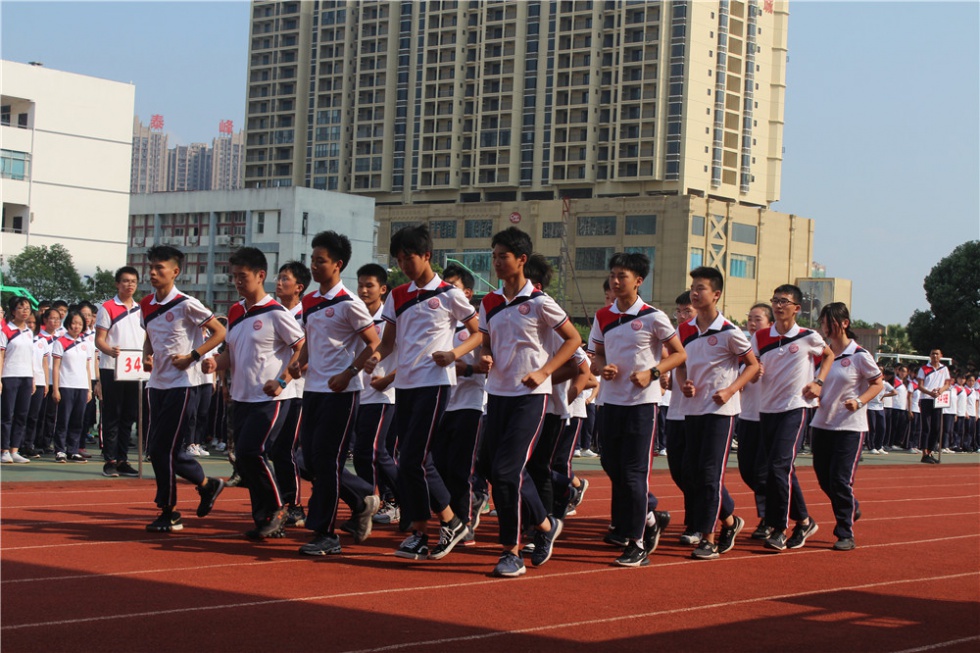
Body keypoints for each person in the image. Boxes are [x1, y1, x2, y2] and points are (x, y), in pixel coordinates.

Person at [365, 225, 482, 561]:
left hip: (435, 382)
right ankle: (425, 530)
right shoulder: (397, 295)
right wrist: (374, 359)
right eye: (399, 260)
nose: (404, 265)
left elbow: (478, 334)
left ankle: (448, 522)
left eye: (409, 258)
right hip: (405, 385)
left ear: (427, 256)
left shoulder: (448, 294)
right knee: (410, 460)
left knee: (413, 458)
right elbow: (388, 343)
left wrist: (454, 354)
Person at [478, 228, 580, 577]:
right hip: (497, 394)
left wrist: (545, 372)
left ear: (521, 260)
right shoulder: (490, 303)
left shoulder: (539, 302)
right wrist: (485, 355)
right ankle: (546, 525)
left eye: (503, 256)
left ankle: (511, 552)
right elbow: (486, 341)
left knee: (507, 471)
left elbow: (573, 340)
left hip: (530, 398)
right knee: (494, 469)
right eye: (494, 256)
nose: (496, 262)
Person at [588, 252, 686, 568]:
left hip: (641, 405)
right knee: (611, 465)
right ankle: (650, 518)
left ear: (638, 281)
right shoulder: (603, 315)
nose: (616, 281)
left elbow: (679, 354)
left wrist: (652, 373)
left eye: (623, 276)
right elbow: (597, 354)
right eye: (613, 275)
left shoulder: (653, 317)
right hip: (610, 403)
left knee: (633, 474)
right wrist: (603, 367)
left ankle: (637, 543)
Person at [288, 231, 382, 555]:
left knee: (327, 461)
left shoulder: (350, 304)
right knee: (308, 460)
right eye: (313, 260)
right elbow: (309, 343)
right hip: (313, 390)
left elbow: (374, 343)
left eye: (321, 261)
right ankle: (361, 499)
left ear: (338, 264)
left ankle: (326, 533)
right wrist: (297, 364)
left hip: (342, 393)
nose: (314, 266)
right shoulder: (310, 302)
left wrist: (349, 372)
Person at [212, 247, 306, 540]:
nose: (238, 282)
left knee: (253, 452)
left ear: (260, 275)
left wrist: (282, 380)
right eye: (234, 276)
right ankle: (264, 518)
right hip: (242, 396)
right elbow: (230, 353)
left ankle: (280, 508)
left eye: (243, 276)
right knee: (244, 459)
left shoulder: (276, 313)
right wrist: (213, 363)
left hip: (271, 398)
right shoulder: (235, 311)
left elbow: (302, 348)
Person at [140, 245, 227, 532]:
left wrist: (193, 356)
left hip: (183, 384)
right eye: (151, 267)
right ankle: (207, 484)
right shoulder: (146, 304)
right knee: (159, 448)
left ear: (175, 271)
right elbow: (149, 337)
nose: (153, 273)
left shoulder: (187, 304)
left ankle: (169, 511)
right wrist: (147, 355)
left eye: (159, 268)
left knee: (162, 449)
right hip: (157, 384)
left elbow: (220, 332)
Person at [677, 267, 759, 560]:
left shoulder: (729, 332)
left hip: (720, 412)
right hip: (692, 410)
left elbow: (752, 365)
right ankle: (730, 522)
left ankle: (708, 539)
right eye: (692, 288)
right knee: (693, 473)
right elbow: (680, 364)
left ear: (716, 294)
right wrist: (684, 383)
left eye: (700, 288)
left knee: (710, 474)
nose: (694, 293)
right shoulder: (684, 330)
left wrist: (730, 390)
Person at [751, 284, 833, 551]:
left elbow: (829, 355)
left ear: (797, 308)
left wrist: (818, 382)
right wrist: (755, 369)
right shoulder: (761, 336)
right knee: (778, 468)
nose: (778, 305)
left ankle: (779, 528)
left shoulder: (808, 336)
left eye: (784, 301)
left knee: (779, 466)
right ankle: (805, 521)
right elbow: (750, 363)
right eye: (775, 300)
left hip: (795, 407)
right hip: (767, 409)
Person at [809, 303, 883, 551]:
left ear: (844, 323)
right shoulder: (823, 355)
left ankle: (845, 532)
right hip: (822, 423)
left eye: (830, 322)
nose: (826, 327)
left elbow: (877, 383)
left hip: (849, 427)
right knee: (824, 479)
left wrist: (859, 401)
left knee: (840, 480)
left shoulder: (859, 355)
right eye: (823, 323)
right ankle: (851, 507)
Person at [431, 263, 486, 540]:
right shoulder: (440, 324)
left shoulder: (476, 328)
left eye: (452, 287)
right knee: (438, 466)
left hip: (470, 404)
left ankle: (464, 522)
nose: (447, 292)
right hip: (443, 403)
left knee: (460, 469)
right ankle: (453, 517)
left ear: (467, 293)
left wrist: (464, 367)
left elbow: (487, 366)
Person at [351, 263, 400, 525]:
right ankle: (368, 503)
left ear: (382, 289)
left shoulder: (391, 320)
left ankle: (401, 497)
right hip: (358, 393)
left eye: (369, 286)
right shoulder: (355, 317)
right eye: (360, 285)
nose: (363, 290)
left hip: (384, 395)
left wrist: (388, 380)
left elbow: (406, 356)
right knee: (365, 454)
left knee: (375, 451)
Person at [94, 266, 144, 478]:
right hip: (112, 368)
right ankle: (110, 460)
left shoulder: (141, 309)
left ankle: (123, 459)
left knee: (129, 415)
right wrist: (110, 351)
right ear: (117, 283)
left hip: (135, 369)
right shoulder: (108, 307)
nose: (129, 285)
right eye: (125, 281)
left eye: (133, 281)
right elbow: (99, 340)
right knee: (112, 414)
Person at [273, 261, 313, 527]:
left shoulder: (306, 314)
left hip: (299, 389)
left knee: (286, 448)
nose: (279, 283)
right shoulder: (273, 312)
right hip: (277, 390)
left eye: (284, 279)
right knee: (277, 449)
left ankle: (295, 506)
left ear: (299, 287)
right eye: (279, 278)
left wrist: (299, 367)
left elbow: (312, 349)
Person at [736, 303, 774, 539]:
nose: (752, 323)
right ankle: (779, 505)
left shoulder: (774, 348)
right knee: (746, 470)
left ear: (770, 323)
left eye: (757, 319)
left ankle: (768, 518)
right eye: (749, 318)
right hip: (746, 415)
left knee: (762, 472)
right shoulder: (743, 349)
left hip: (769, 416)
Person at [664, 292, 698, 544]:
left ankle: (696, 522)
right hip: (675, 410)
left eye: (687, 311)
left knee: (695, 471)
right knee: (678, 471)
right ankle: (723, 510)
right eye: (679, 311)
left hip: (701, 411)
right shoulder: (673, 335)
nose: (682, 316)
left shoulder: (714, 333)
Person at [51, 310, 93, 462]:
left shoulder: (86, 344)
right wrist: (56, 389)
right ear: (68, 323)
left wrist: (89, 389)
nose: (76, 326)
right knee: (63, 419)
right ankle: (60, 450)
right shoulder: (60, 342)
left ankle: (73, 450)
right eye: (74, 323)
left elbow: (87, 368)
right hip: (66, 385)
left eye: (80, 324)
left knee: (77, 420)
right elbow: (56, 367)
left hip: (81, 386)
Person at [1, 297, 38, 463]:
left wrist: (33, 379)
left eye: (27, 308)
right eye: (21, 308)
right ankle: (4, 450)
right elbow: (1, 355)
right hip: (9, 376)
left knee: (22, 414)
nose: (25, 311)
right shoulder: (5, 331)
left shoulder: (29, 332)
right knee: (7, 415)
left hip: (26, 377)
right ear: (13, 311)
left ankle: (15, 450)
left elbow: (30, 357)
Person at [20, 311, 49, 459]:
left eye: (34, 323)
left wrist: (46, 383)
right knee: (21, 415)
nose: (31, 325)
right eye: (28, 322)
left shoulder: (42, 341)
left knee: (34, 416)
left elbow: (45, 363)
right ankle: (17, 444)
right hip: (23, 380)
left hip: (39, 381)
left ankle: (28, 445)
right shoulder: (20, 338)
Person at [916, 349, 951, 463]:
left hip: (938, 400)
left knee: (936, 427)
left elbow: (947, 383)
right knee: (926, 427)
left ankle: (930, 451)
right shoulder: (923, 369)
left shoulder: (944, 369)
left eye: (937, 354)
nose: (935, 356)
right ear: (930, 355)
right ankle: (924, 453)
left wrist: (940, 391)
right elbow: (920, 385)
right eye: (933, 354)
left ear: (941, 356)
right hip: (926, 399)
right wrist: (929, 393)